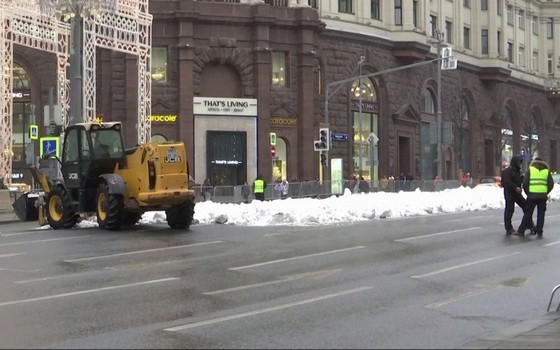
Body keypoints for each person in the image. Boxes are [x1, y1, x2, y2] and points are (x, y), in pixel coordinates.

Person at [516, 157, 554, 238]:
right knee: (541, 214)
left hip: (532, 196)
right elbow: (551, 184)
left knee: (528, 213)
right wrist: (545, 192)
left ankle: (521, 229)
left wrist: (528, 193)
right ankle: (539, 231)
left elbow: (525, 182)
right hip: (542, 196)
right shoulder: (546, 171)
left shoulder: (531, 169)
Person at [501, 155, 533, 235]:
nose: (520, 164)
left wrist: (521, 181)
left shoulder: (517, 171)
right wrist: (515, 187)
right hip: (510, 194)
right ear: (515, 162)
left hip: (517, 194)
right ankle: (509, 228)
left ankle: (529, 224)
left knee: (526, 207)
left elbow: (517, 180)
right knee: (509, 210)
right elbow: (506, 182)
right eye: (519, 162)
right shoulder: (508, 171)